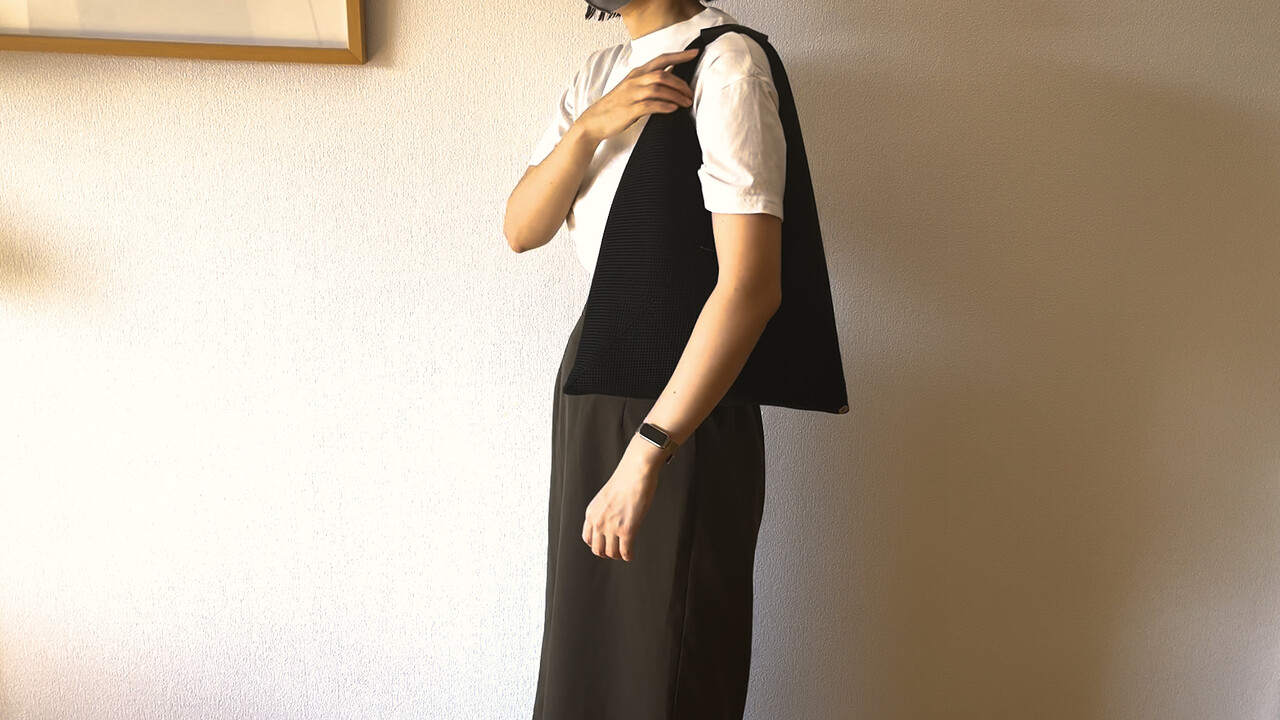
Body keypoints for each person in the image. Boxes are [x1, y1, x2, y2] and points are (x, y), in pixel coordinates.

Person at [503, 1, 787, 718]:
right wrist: (590, 126)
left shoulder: (727, 64)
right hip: (593, 374)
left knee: (668, 651)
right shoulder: (598, 73)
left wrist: (647, 452)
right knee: (589, 646)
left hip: (683, 390)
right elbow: (522, 228)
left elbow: (750, 288)